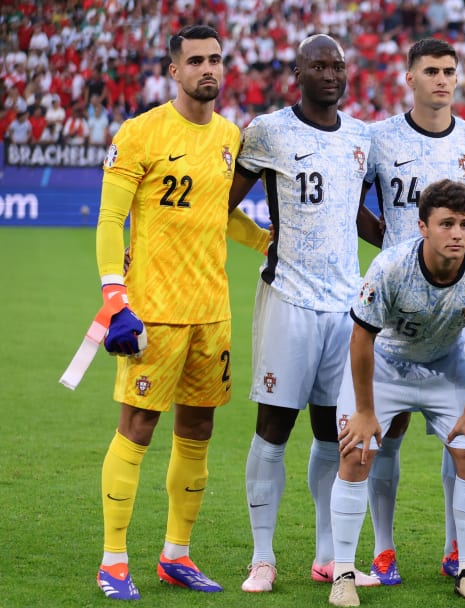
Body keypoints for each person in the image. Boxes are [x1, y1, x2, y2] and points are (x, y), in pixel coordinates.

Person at [93, 24, 268, 600]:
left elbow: (221, 215)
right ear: (174, 71)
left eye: (215, 59)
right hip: (154, 314)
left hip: (211, 312)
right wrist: (115, 299)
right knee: (138, 429)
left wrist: (268, 242)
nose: (207, 69)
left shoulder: (229, 136)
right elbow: (108, 222)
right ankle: (114, 560)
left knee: (198, 431)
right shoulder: (140, 132)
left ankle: (176, 556)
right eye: (195, 61)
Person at [228, 34, 382, 593]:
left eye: (338, 65)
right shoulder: (268, 130)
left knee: (331, 435)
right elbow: (224, 198)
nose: (331, 73)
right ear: (297, 72)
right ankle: (262, 557)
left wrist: (391, 246)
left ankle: (325, 554)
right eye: (319, 65)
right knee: (273, 429)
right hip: (288, 299)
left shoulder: (362, 137)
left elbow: (356, 212)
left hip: (347, 309)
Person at [356, 37, 465, 583]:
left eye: (449, 71)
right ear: (408, 77)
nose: (441, 79)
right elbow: (354, 207)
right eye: (430, 70)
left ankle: (455, 548)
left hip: (457, 309)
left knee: (458, 431)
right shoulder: (379, 139)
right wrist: (390, 249)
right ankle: (384, 549)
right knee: (384, 435)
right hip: (394, 307)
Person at [331, 179, 465, 606]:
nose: (458, 234)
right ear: (422, 227)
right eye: (446, 224)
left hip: (444, 368)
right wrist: (366, 411)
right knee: (357, 450)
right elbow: (361, 339)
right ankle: (343, 575)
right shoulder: (391, 267)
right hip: (385, 366)